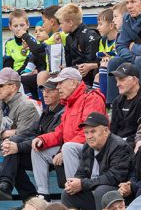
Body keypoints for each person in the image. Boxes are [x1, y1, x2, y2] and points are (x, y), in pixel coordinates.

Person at [30, 67, 107, 201]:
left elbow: (90, 133)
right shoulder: (70, 102)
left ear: (73, 82)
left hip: (94, 149)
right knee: (38, 149)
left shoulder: (91, 97)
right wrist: (42, 139)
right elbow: (60, 131)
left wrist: (62, 151)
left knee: (68, 148)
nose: (58, 87)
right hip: (75, 148)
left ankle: (75, 193)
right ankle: (43, 195)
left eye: (61, 83)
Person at [0, 80, 65, 202]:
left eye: (50, 91)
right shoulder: (47, 112)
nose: (45, 94)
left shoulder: (63, 112)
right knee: (12, 149)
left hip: (53, 156)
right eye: (43, 90)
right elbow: (30, 132)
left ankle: (9, 186)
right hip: (38, 151)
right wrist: (13, 141)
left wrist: (19, 147)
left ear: (60, 92)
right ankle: (19, 193)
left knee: (14, 151)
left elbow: (49, 140)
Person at [62, 112, 133, 210]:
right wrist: (73, 183)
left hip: (122, 195)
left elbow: (114, 177)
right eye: (86, 133)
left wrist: (83, 184)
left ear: (106, 131)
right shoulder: (88, 146)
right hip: (98, 196)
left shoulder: (119, 146)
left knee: (102, 190)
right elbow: (81, 172)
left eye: (93, 131)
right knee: (68, 193)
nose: (89, 136)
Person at [55, 3, 101, 85]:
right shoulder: (69, 38)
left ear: (70, 22)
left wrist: (69, 69)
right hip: (73, 76)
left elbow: (90, 63)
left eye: (61, 23)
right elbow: (68, 62)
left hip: (88, 81)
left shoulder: (90, 36)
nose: (60, 27)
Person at [107, 62, 141, 144]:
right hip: (117, 143)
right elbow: (113, 129)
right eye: (116, 80)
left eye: (122, 79)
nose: (117, 84)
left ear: (135, 80)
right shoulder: (117, 101)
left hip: (136, 143)